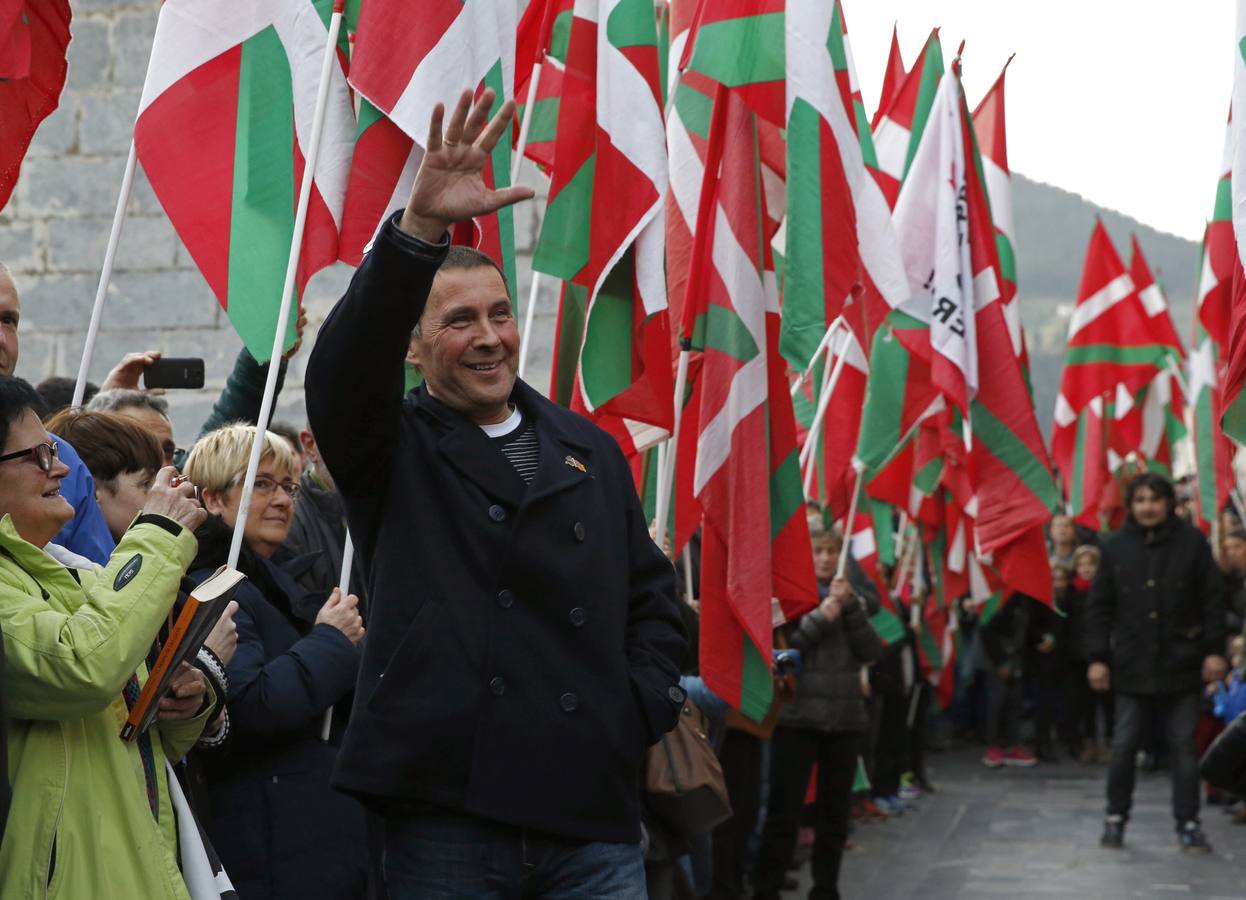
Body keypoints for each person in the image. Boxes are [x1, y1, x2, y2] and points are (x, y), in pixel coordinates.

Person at [306, 88, 687, 897]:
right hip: (445, 814)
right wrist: (417, 234)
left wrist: (629, 711)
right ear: (413, 350)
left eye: (501, 314)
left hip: (588, 812)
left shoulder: (588, 449)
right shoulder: (392, 446)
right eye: (459, 321)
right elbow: (340, 375)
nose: (488, 337)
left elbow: (655, 605)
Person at [0, 374, 215, 897]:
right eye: (40, 456)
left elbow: (136, 730)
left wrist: (190, 700)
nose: (63, 469)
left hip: (131, 867)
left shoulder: (67, 571)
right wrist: (159, 536)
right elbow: (83, 669)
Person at [183, 424, 370, 899]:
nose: (284, 500)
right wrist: (330, 640)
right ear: (213, 498)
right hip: (268, 840)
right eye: (260, 484)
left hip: (303, 832)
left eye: (288, 486)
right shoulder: (212, 586)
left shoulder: (275, 582)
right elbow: (248, 706)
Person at [1086, 472, 1228, 852]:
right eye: (1140, 500)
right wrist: (1097, 657)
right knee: (1124, 745)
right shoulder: (1115, 547)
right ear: (1131, 506)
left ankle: (1189, 822)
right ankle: (1115, 817)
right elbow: (1099, 608)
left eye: (1154, 499)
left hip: (1181, 663)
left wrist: (1215, 651)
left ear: (1167, 503)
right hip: (1132, 667)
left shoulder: (1192, 544)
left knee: (1183, 748)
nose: (1147, 507)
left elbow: (1213, 601)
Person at [751, 528, 882, 900]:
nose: (825, 559)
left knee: (834, 815)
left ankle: (826, 888)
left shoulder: (854, 599)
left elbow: (871, 651)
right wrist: (822, 617)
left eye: (832, 552)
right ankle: (766, 887)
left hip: (844, 719)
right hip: (798, 719)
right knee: (784, 811)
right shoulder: (792, 598)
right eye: (819, 552)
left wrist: (851, 608)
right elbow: (786, 653)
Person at [0, 263, 115, 565]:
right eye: (33, 457)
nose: (2, 339)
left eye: (8, 321)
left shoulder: (63, 459)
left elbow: (104, 597)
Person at [978, 594, 1040, 768]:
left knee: (1015, 701)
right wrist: (1000, 662)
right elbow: (986, 629)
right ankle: (993, 746)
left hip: (1017, 656)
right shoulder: (1000, 598)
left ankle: (1013, 745)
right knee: (997, 702)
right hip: (1000, 657)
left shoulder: (1025, 600)